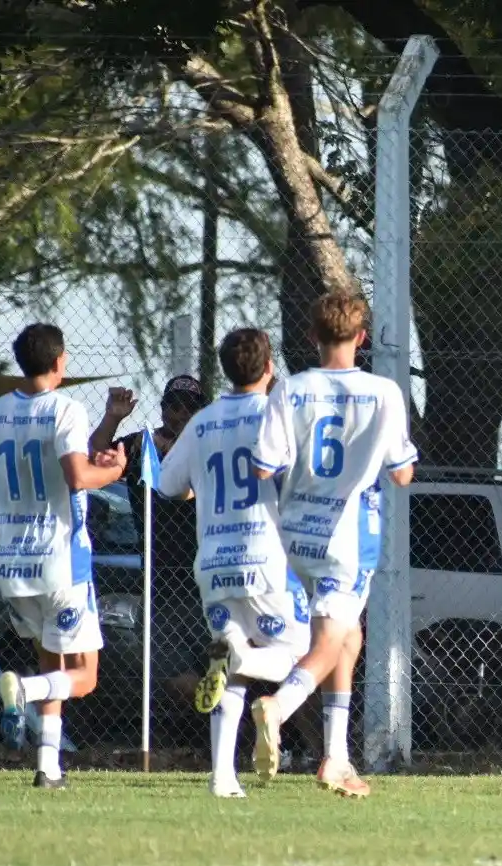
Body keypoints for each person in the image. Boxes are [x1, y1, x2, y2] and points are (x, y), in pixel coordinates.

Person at [0, 324, 125, 788]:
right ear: (60, 362)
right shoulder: (65, 408)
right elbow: (77, 476)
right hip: (62, 561)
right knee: (82, 675)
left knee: (50, 661)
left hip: (13, 565)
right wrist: (116, 469)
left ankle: (47, 766)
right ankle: (23, 690)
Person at [250, 292, 417, 799]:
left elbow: (263, 466)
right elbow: (403, 474)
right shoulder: (384, 392)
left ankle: (336, 757)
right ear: (362, 338)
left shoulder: (291, 389)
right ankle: (277, 708)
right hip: (349, 535)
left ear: (312, 337)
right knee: (329, 641)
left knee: (348, 639)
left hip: (296, 531)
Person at [155, 328, 310, 798]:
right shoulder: (276, 413)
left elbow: (168, 486)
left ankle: (223, 777)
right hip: (264, 556)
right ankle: (245, 659)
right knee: (300, 654)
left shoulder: (201, 422)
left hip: (213, 563)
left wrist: (196, 484)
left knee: (233, 671)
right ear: (269, 369)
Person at [90, 375, 209, 698]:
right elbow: (97, 455)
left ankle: (228, 727)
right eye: (174, 406)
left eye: (190, 407)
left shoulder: (211, 444)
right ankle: (217, 707)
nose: (181, 414)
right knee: (166, 669)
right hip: (160, 579)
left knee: (224, 660)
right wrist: (113, 417)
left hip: (206, 577)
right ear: (163, 409)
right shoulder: (144, 446)